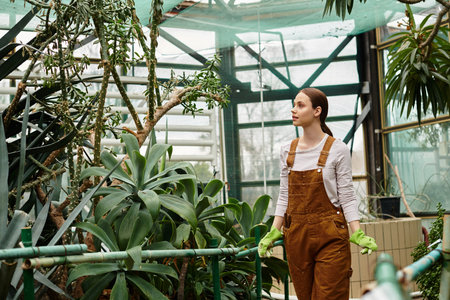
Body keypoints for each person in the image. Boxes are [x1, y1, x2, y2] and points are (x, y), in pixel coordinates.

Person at [258, 88, 377, 300]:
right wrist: (274, 230)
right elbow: (285, 195)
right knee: (305, 296)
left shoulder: (337, 149)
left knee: (330, 295)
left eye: (300, 105)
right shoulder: (287, 150)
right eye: (294, 104)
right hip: (296, 236)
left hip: (331, 234)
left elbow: (347, 196)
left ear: (317, 111)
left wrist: (356, 231)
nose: (293, 110)